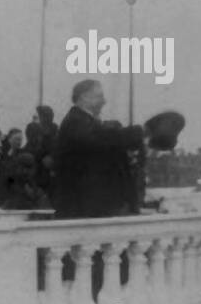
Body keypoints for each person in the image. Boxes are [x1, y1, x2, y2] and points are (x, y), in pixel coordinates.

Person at [52, 79, 145, 218]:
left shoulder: (84, 122)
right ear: (83, 96)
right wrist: (141, 132)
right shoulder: (75, 121)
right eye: (99, 96)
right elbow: (101, 139)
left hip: (89, 208)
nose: (104, 101)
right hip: (84, 209)